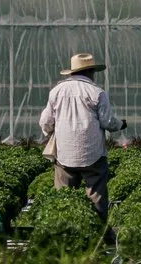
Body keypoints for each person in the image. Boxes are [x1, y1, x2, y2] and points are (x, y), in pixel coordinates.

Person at [39, 52, 124, 224]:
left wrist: (50, 132)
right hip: (92, 154)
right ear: (90, 72)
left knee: (63, 196)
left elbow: (46, 122)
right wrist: (121, 124)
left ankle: (62, 228)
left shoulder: (56, 92)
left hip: (65, 154)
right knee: (96, 194)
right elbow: (107, 122)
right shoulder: (97, 93)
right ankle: (97, 229)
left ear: (71, 72)